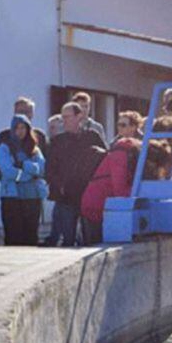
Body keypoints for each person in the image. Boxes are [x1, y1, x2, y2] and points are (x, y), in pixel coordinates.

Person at [80, 137, 172, 244]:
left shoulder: (135, 156)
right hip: (96, 209)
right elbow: (120, 192)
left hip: (112, 212)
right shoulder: (121, 155)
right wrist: (143, 191)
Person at [44, 102, 105, 247]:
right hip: (66, 197)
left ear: (79, 117)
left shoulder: (92, 137)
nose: (64, 121)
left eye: (67, 117)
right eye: (62, 117)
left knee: (90, 240)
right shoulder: (58, 141)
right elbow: (49, 170)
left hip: (88, 195)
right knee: (68, 241)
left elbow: (104, 161)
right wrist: (60, 186)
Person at [0, 115, 48, 246]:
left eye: (23, 128)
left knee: (30, 236)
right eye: (17, 128)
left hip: (32, 197)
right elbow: (7, 170)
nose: (20, 131)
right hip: (12, 198)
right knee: (14, 236)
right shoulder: (5, 147)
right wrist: (28, 176)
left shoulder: (34, 148)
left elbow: (41, 168)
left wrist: (23, 165)